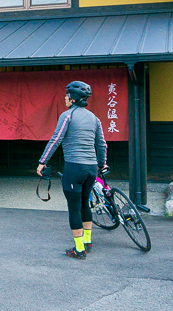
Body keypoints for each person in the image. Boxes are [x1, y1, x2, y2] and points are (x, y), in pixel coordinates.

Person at [36, 81, 107, 260]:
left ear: (72, 98)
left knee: (74, 208)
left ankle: (79, 249)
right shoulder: (94, 118)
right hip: (91, 169)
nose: (65, 98)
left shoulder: (67, 115)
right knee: (85, 203)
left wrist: (42, 162)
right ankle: (88, 242)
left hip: (74, 167)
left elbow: (56, 139)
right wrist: (102, 164)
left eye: (66, 96)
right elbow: (101, 144)